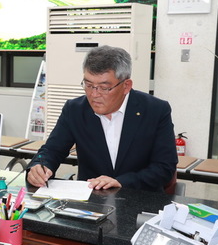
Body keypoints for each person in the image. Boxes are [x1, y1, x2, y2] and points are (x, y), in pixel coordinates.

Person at [26, 45, 177, 193]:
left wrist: (121, 182)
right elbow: (52, 150)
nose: (94, 94)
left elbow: (164, 167)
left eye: (104, 88)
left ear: (126, 86)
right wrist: (39, 165)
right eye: (88, 85)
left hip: (140, 200)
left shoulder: (155, 110)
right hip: (92, 201)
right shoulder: (75, 109)